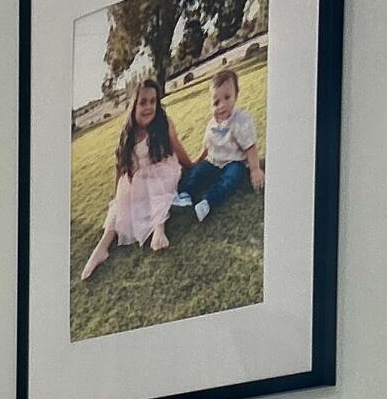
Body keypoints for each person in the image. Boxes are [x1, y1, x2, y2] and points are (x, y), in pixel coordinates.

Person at [78, 80, 192, 286]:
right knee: (121, 203)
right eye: (143, 102)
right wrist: (117, 196)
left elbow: (177, 147)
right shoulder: (128, 134)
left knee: (157, 189)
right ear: (134, 106)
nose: (148, 107)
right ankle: (102, 246)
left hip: (163, 171)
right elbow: (120, 167)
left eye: (152, 101)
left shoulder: (163, 124)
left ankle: (159, 229)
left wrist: (191, 165)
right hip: (139, 178)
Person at [178, 67, 264, 221]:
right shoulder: (212, 123)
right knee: (197, 172)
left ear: (236, 95)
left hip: (233, 162)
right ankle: (185, 194)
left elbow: (250, 147)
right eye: (216, 102)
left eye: (227, 97)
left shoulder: (240, 119)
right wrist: (197, 162)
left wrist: (255, 170)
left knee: (231, 178)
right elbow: (207, 146)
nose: (222, 105)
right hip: (213, 161)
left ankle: (208, 202)